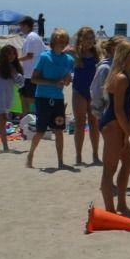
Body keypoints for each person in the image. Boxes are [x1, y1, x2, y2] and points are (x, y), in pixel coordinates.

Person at [97, 38, 130, 214]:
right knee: (110, 169)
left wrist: (128, 131)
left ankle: (121, 203)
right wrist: (129, 133)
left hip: (120, 123)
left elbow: (127, 108)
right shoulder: (121, 78)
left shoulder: (127, 74)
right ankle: (110, 210)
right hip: (113, 124)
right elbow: (118, 110)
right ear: (126, 56)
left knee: (128, 161)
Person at [23, 28, 76, 169]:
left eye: (64, 41)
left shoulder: (69, 60)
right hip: (43, 98)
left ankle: (60, 162)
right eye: (59, 41)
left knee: (59, 130)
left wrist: (67, 79)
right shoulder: (45, 57)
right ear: (53, 42)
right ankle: (31, 154)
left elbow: (69, 76)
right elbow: (34, 79)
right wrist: (53, 82)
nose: (62, 44)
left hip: (58, 99)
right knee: (40, 131)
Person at [71, 27, 102, 166]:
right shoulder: (74, 53)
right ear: (80, 39)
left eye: (91, 38)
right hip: (79, 91)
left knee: (94, 123)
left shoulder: (97, 54)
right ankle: (78, 156)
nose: (89, 41)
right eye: (86, 38)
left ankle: (95, 155)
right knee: (79, 124)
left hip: (93, 92)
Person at [14, 16, 48, 116]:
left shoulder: (31, 37)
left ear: (26, 26)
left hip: (31, 74)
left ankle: (35, 120)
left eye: (21, 26)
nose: (21, 29)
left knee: (31, 99)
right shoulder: (34, 37)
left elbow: (29, 55)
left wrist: (16, 60)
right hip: (30, 74)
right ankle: (28, 120)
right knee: (25, 97)